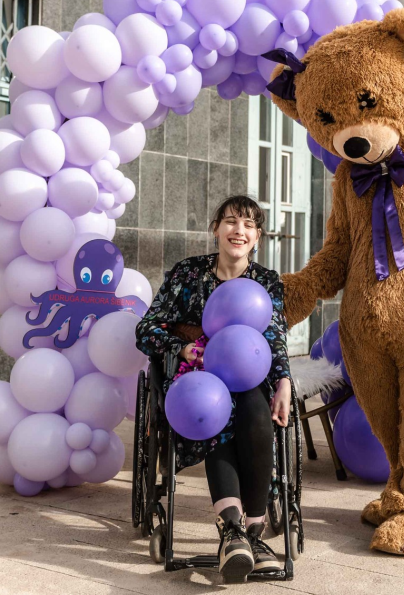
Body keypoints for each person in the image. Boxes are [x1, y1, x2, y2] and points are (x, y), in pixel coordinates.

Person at [136, 195, 292, 583]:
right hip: (196, 378)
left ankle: (249, 534)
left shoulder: (266, 282)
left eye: (249, 225)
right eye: (231, 221)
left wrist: (285, 381)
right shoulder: (188, 274)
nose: (239, 230)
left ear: (258, 237)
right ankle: (232, 528)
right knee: (214, 412)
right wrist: (181, 346)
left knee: (255, 411)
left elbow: (274, 340)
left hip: (247, 377)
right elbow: (146, 328)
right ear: (216, 228)